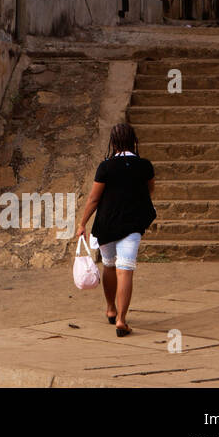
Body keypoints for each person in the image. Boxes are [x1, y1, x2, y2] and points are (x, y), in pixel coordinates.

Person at [75, 123, 156, 337]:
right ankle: (121, 319)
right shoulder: (145, 166)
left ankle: (111, 309)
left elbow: (94, 199)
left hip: (107, 224)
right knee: (125, 269)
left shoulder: (106, 167)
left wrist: (82, 223)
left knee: (109, 266)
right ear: (133, 140)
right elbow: (149, 191)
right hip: (132, 224)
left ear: (113, 142)